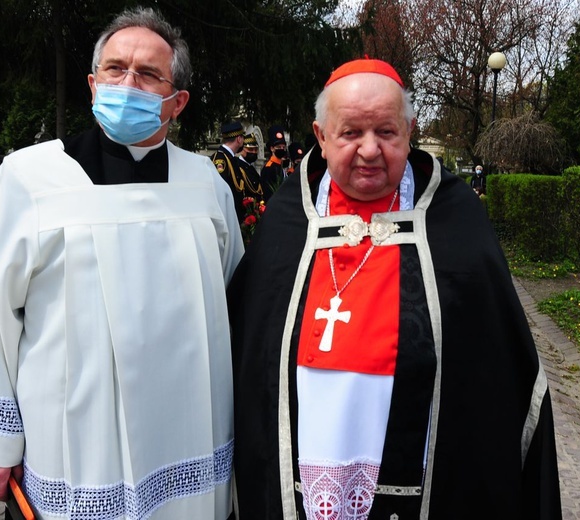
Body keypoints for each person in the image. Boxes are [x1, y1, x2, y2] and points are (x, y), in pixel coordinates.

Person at [0, 7, 242, 520]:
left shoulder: (205, 185)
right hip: (76, 438)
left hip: (188, 427)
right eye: (115, 69)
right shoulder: (30, 178)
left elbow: (235, 296)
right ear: (92, 84)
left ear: (177, 102)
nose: (128, 82)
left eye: (148, 74)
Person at [227, 58, 562, 519]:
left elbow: (494, 370)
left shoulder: (455, 217)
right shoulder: (287, 222)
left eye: (386, 132)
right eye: (350, 133)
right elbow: (250, 356)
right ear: (321, 138)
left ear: (410, 131)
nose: (369, 150)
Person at [213, 120, 250, 221]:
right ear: (238, 139)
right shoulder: (221, 160)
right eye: (242, 138)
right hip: (227, 217)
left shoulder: (230, 158)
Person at [260, 124, 288, 201]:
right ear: (272, 148)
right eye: (279, 147)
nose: (282, 149)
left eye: (283, 147)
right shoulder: (269, 168)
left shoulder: (280, 166)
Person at [238, 132, 264, 201]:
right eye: (250, 149)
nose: (254, 152)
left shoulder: (251, 168)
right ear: (242, 150)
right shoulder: (238, 166)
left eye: (255, 150)